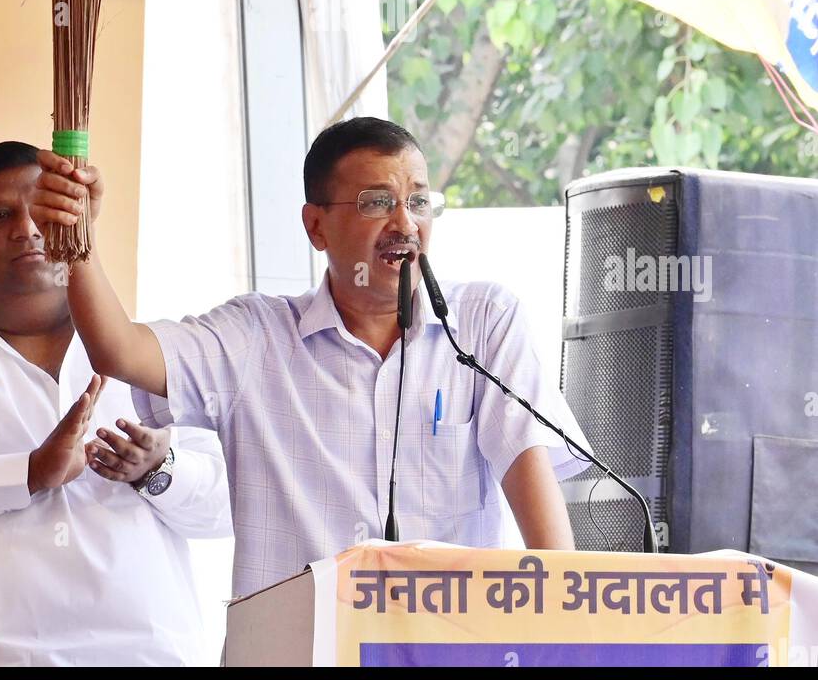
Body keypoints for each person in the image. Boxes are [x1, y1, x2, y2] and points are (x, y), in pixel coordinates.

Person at [36, 117, 593, 601]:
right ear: (315, 225)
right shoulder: (257, 336)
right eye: (377, 203)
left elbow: (529, 471)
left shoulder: (482, 322)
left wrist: (567, 621)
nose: (405, 223)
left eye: (419, 201)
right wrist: (76, 240)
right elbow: (118, 348)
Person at [0, 142, 232, 666]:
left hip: (146, 653)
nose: (27, 229)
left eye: (43, 211)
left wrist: (157, 468)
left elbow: (230, 504)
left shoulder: (143, 350)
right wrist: (29, 472)